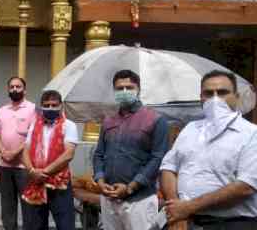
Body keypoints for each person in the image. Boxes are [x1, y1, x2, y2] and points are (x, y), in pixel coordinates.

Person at [160, 70, 257, 230]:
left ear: (237, 97)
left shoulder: (251, 133)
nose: (215, 99)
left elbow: (245, 186)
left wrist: (188, 207)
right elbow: (168, 168)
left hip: (230, 224)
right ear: (201, 98)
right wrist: (176, 206)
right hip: (184, 221)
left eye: (222, 92)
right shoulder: (190, 129)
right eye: (208, 93)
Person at [93, 69, 169, 230]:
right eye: (119, 88)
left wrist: (130, 187)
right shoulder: (108, 121)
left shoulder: (155, 120)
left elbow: (157, 159)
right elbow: (99, 154)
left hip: (140, 199)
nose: (124, 91)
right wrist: (100, 181)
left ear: (138, 89)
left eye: (129, 87)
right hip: (108, 197)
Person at [21, 90, 78, 230]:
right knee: (36, 225)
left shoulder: (69, 125)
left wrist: (44, 172)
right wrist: (32, 171)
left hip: (59, 183)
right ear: (41, 106)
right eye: (47, 105)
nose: (50, 108)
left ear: (61, 106)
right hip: (36, 182)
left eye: (54, 105)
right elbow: (25, 150)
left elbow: (68, 154)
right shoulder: (35, 125)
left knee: (65, 224)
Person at [0, 76, 36, 230]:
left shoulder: (32, 109)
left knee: (28, 203)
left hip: (24, 166)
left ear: (25, 89)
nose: (15, 89)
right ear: (8, 90)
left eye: (18, 87)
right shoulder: (3, 110)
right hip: (4, 165)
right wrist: (4, 151)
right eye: (11, 87)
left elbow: (33, 137)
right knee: (7, 203)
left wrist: (15, 153)